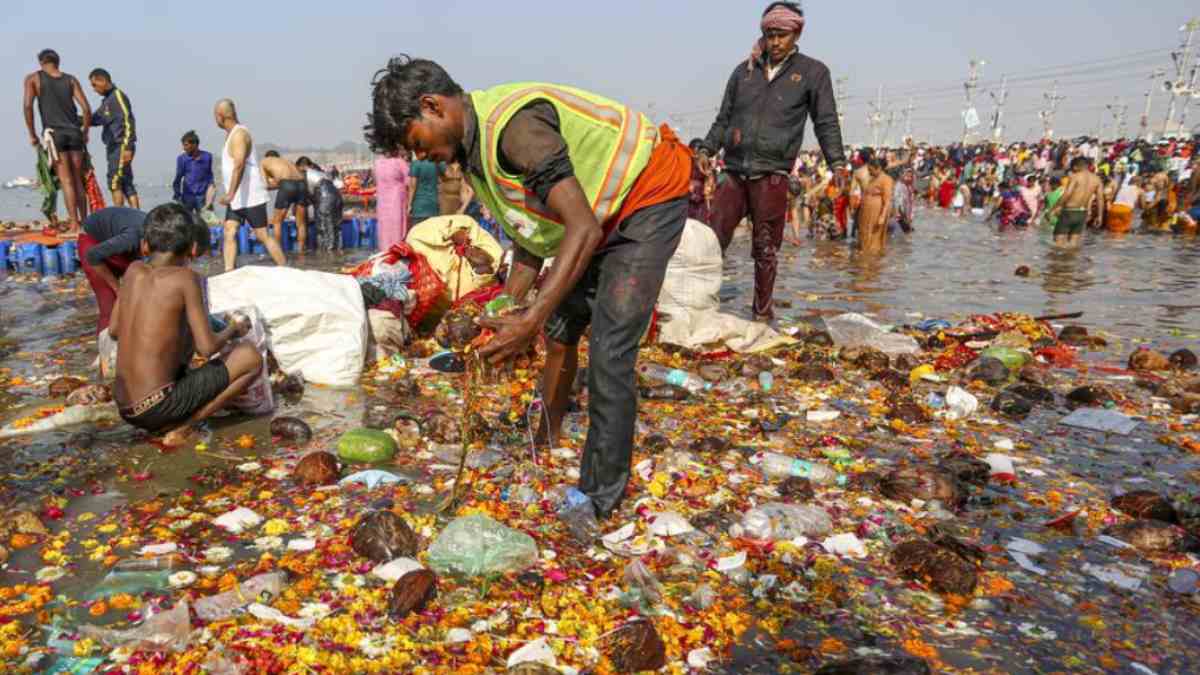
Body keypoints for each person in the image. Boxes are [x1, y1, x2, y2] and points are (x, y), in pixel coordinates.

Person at [366, 56, 691, 521]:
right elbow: (530, 237)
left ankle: (599, 499)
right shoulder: (473, 154)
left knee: (610, 349)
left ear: (433, 106)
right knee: (560, 329)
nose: (420, 157)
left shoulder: (514, 130)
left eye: (416, 143)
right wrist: (508, 307)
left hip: (647, 193)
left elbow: (581, 229)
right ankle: (545, 437)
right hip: (596, 215)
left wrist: (530, 319)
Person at [697, 2, 846, 321]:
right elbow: (723, 119)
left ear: (797, 34)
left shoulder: (812, 73)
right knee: (711, 241)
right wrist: (707, 149)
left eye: (782, 35)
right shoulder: (744, 72)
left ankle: (762, 315)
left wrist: (837, 163)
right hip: (734, 171)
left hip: (772, 173)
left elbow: (826, 122)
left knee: (765, 249)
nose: (775, 42)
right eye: (770, 35)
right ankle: (700, 307)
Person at [109, 203, 263, 446]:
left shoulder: (132, 271)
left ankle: (171, 418)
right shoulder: (186, 279)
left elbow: (114, 330)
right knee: (250, 357)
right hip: (156, 407)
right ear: (192, 248)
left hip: (125, 407)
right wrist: (233, 329)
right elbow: (207, 348)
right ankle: (187, 425)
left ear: (145, 245)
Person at [213, 98, 286, 271]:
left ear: (221, 115)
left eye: (215, 116)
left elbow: (239, 164)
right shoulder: (231, 134)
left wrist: (230, 194)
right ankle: (229, 272)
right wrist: (233, 195)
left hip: (250, 196)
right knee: (229, 231)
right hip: (237, 197)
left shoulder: (239, 134)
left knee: (262, 235)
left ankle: (285, 268)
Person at [22, 49, 91, 231]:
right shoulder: (71, 80)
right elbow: (86, 109)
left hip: (55, 135)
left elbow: (28, 106)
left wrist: (32, 134)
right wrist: (85, 132)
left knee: (66, 181)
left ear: (41, 62)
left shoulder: (33, 79)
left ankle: (74, 224)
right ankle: (85, 223)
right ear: (57, 62)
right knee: (78, 180)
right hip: (75, 133)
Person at [79, 206, 145, 335]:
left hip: (119, 239)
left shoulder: (161, 238)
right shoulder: (131, 238)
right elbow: (93, 256)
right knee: (109, 305)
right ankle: (105, 343)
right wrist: (117, 288)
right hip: (93, 244)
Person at [87, 68, 138, 208]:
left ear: (103, 81)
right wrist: (74, 118)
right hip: (113, 146)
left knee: (114, 182)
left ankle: (119, 215)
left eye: (94, 85)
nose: (94, 89)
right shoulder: (107, 101)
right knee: (126, 183)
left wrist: (128, 147)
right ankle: (137, 215)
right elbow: (95, 119)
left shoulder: (118, 96)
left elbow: (128, 121)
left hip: (120, 145)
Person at [1046, 157, 1104, 247]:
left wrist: (1054, 208)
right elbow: (1100, 199)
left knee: (1058, 243)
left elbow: (1067, 193)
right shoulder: (1097, 179)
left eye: (1072, 168)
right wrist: (1100, 216)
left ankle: (1057, 257)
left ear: (1076, 167)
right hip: (1082, 213)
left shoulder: (1075, 177)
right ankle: (1072, 256)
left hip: (1069, 212)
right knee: (1073, 243)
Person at [260, 150, 309, 252]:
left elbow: (266, 185)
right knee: (301, 223)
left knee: (277, 222)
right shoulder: (288, 161)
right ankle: (301, 250)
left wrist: (276, 185)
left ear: (267, 157)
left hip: (286, 185)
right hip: (302, 185)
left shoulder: (264, 161)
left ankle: (278, 251)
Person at [295, 157, 344, 252]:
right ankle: (338, 251)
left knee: (324, 227)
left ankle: (326, 254)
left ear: (301, 166)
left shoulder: (305, 173)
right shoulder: (321, 173)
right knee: (336, 227)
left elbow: (305, 195)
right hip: (337, 196)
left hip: (324, 198)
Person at [172, 130, 215, 216]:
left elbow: (211, 179)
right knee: (186, 221)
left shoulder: (207, 157)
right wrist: (177, 195)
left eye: (186, 145)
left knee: (206, 221)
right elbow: (178, 179)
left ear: (195, 144)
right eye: (183, 145)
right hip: (187, 197)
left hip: (203, 197)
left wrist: (210, 200)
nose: (184, 148)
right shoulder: (182, 159)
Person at [374, 150, 411, 249]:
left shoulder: (378, 163)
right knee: (398, 230)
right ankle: (397, 251)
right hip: (397, 202)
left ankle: (385, 251)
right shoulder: (400, 163)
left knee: (384, 230)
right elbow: (409, 182)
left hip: (382, 202)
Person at [857, 158, 892, 254]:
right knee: (864, 232)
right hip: (866, 211)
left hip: (876, 211)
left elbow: (887, 200)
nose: (869, 172)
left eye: (871, 170)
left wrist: (882, 216)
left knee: (874, 235)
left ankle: (872, 257)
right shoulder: (872, 179)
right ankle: (865, 253)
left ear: (879, 168)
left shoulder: (886, 179)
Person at [408, 157, 439, 225]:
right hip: (433, 205)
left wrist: (409, 204)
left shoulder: (416, 163)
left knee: (418, 230)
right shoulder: (437, 163)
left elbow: (413, 186)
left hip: (418, 205)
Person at [892, 168, 915, 234]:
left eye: (910, 177)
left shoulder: (909, 187)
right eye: (907, 176)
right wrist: (904, 217)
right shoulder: (899, 186)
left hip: (907, 216)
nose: (909, 178)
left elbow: (911, 203)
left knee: (908, 234)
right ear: (902, 175)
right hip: (900, 217)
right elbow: (897, 202)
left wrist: (910, 218)